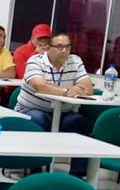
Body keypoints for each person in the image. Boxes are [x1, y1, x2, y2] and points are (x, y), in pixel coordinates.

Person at [15, 32, 95, 172]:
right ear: (48, 48)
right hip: (31, 109)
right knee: (39, 119)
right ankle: (36, 169)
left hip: (63, 112)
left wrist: (56, 88)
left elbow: (87, 88)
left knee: (80, 123)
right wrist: (66, 91)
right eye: (59, 46)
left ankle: (78, 173)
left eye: (67, 47)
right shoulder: (36, 61)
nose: (64, 51)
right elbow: (40, 86)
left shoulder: (75, 61)